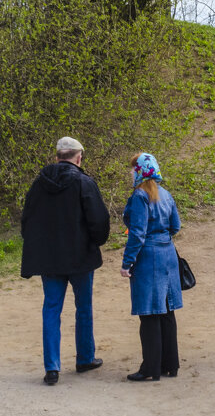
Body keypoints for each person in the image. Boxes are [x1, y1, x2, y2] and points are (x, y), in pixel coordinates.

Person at [20, 136, 111, 385]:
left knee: (51, 308)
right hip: (80, 256)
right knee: (83, 308)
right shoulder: (84, 182)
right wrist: (96, 241)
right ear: (78, 157)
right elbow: (99, 220)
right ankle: (85, 358)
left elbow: (27, 220)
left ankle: (52, 367)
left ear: (57, 156)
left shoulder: (39, 184)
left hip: (50, 259)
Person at [119, 152, 182, 382]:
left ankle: (150, 368)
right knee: (167, 310)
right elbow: (175, 225)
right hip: (168, 254)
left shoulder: (140, 196)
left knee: (149, 313)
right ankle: (170, 365)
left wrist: (127, 263)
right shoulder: (166, 194)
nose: (130, 172)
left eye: (132, 168)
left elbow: (137, 233)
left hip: (149, 257)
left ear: (140, 170)